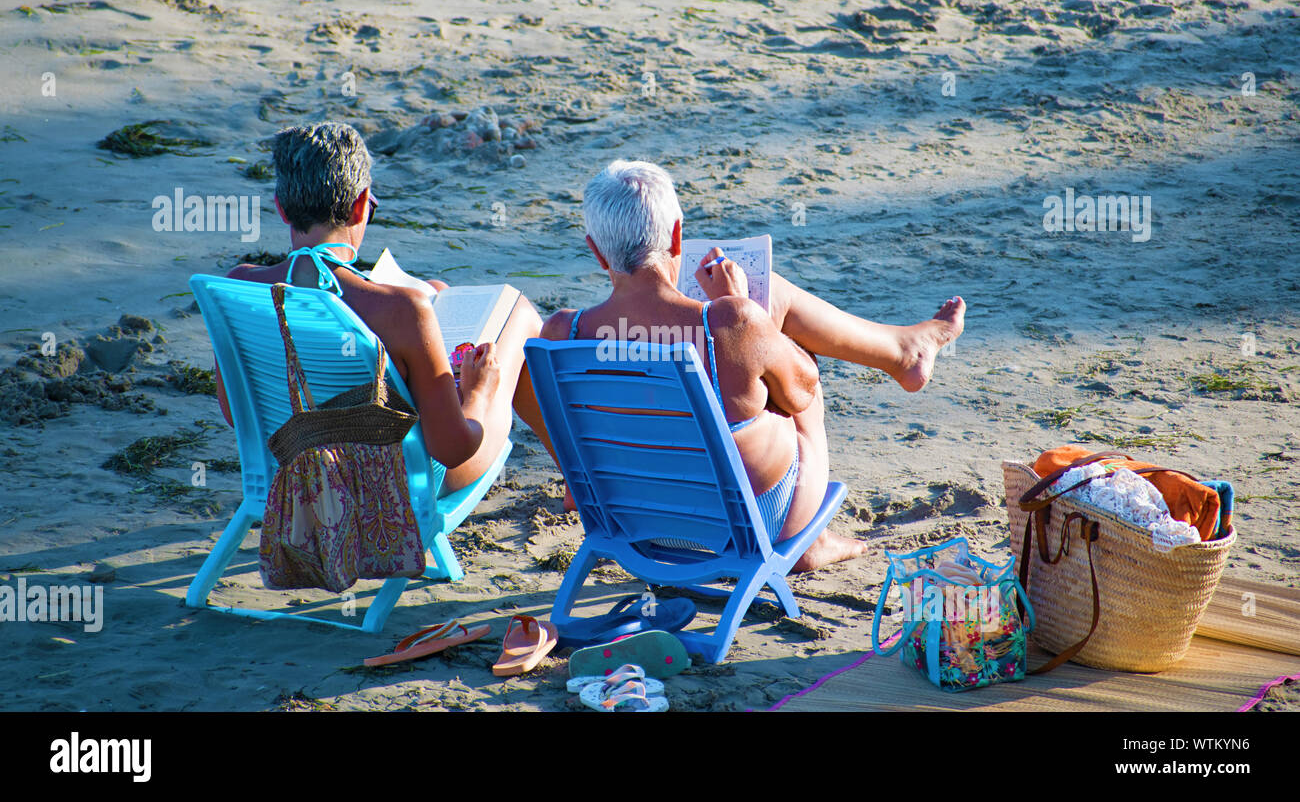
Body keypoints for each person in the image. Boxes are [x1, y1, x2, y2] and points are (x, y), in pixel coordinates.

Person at [540, 160, 965, 571]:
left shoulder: (562, 333)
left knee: (743, 366)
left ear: (596, 252)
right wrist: (744, 309)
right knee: (789, 365)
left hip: (632, 523)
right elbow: (802, 389)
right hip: (746, 525)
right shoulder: (729, 322)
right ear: (676, 238)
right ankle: (810, 538)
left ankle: (903, 352)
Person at [213, 121, 555, 492]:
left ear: (281, 208)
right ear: (361, 206)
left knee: (435, 290)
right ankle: (576, 481)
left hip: (294, 476)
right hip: (398, 488)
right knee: (518, 313)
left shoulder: (239, 287)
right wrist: (478, 392)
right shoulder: (403, 311)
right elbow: (453, 450)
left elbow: (236, 412)